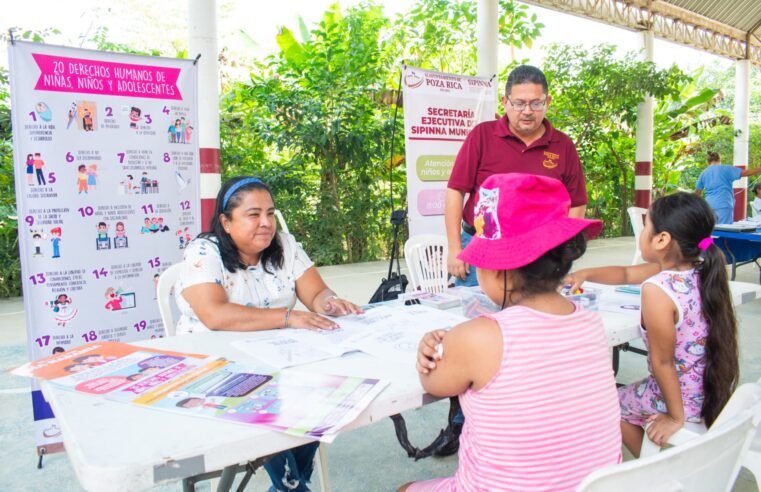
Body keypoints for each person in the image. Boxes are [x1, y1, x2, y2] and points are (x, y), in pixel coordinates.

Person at [402, 173, 620, 492]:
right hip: (595, 487)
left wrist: (429, 350)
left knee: (406, 488)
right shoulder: (591, 322)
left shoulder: (479, 336)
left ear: (498, 270)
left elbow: (433, 382)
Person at [176, 176, 362, 492]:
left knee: (323, 397)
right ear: (226, 221)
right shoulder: (203, 252)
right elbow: (215, 314)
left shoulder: (285, 246)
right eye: (253, 214)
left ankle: (288, 486)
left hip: (279, 361)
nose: (266, 223)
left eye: (270, 213)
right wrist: (288, 318)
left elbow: (316, 292)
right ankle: (291, 486)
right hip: (216, 369)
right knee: (278, 404)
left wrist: (329, 303)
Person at [567, 192, 739, 457]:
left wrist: (674, 416)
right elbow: (626, 273)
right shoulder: (700, 267)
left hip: (681, 399)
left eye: (646, 225)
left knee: (605, 403)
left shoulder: (658, 289)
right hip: (710, 386)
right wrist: (586, 273)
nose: (643, 231)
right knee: (628, 393)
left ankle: (657, 471)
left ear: (662, 239)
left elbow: (663, 362)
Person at [446, 65, 588, 287]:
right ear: (505, 102)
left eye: (536, 103)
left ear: (547, 102)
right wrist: (455, 248)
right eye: (519, 103)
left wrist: (563, 250)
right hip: (483, 246)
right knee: (477, 313)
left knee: (534, 315)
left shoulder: (563, 145)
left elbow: (577, 202)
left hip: (541, 254)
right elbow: (456, 191)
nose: (528, 111)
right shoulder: (482, 136)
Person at [695, 151, 761, 224]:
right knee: (725, 230)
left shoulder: (703, 173)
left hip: (709, 206)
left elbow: (697, 193)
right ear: (719, 159)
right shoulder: (726, 169)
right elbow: (746, 173)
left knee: (712, 231)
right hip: (724, 204)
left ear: (708, 162)